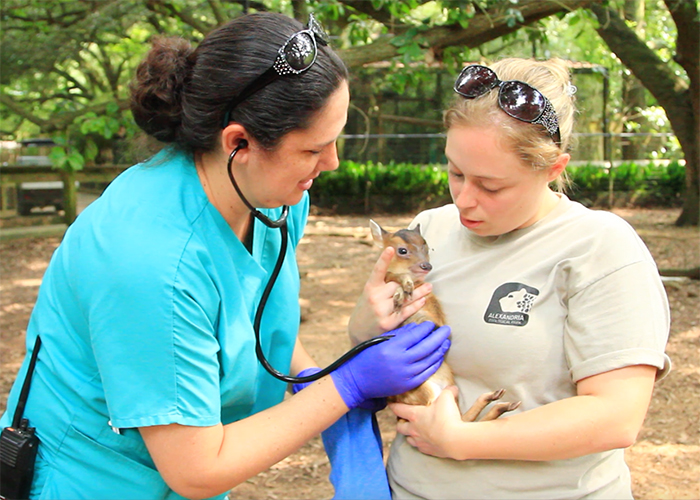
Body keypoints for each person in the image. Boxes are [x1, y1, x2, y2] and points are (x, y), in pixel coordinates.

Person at [0, 12, 452, 500]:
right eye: (315, 148)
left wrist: (310, 381)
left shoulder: (273, 197)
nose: (333, 163)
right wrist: (344, 387)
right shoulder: (148, 264)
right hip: (98, 481)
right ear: (239, 143)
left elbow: (261, 317)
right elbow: (197, 468)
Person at [348, 58, 671, 499]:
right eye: (455, 172)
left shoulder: (601, 247)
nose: (464, 200)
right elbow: (371, 339)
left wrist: (462, 441)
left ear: (553, 169)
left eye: (491, 186)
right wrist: (368, 323)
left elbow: (615, 417)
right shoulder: (431, 230)